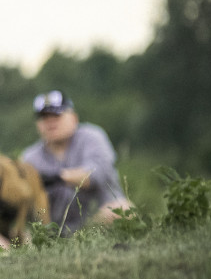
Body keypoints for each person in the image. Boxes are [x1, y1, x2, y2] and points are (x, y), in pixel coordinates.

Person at [20, 90, 134, 233]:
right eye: (44, 117)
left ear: (74, 118)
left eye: (56, 115)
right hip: (53, 231)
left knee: (122, 209)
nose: (50, 122)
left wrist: (57, 177)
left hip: (96, 222)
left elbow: (98, 175)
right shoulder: (29, 157)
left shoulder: (92, 137)